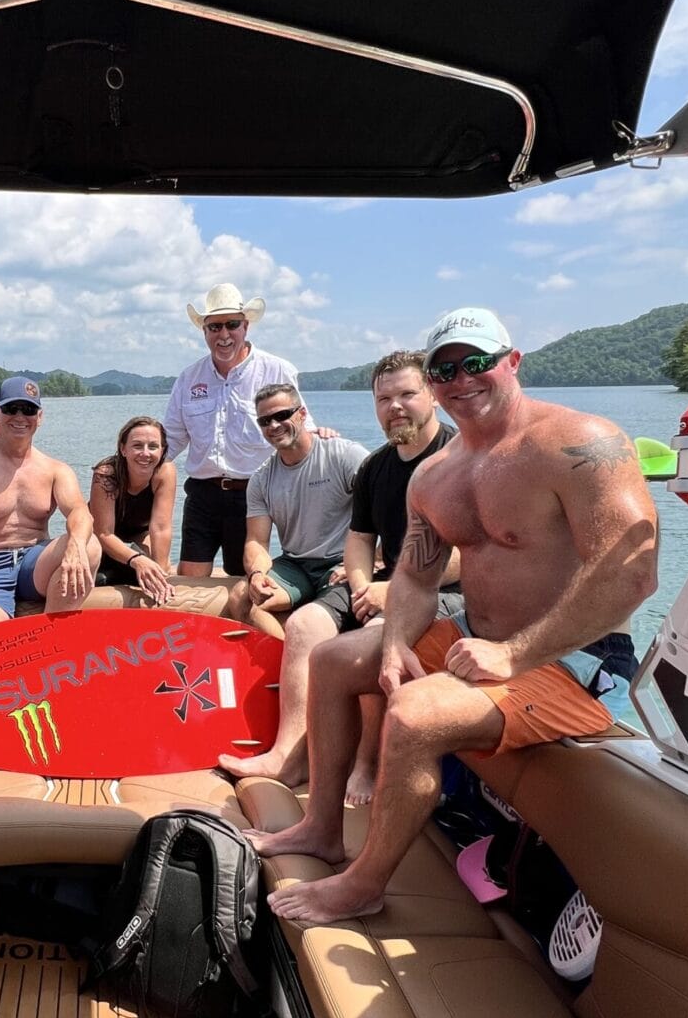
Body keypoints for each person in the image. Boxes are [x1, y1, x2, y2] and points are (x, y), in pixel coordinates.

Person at [248, 307, 658, 927]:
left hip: (573, 659)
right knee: (333, 660)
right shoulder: (436, 475)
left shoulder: (580, 443)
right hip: (477, 639)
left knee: (415, 713)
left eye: (476, 362)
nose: (461, 380)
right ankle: (321, 828)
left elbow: (632, 570)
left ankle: (363, 885)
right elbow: (415, 575)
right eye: (445, 371)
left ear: (512, 361)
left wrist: (515, 653)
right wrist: (393, 645)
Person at [216, 385, 367, 782]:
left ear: (302, 413)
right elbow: (256, 541)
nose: (274, 425)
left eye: (282, 415)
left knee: (320, 621)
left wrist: (369, 563)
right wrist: (257, 574)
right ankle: (296, 673)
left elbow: (387, 512)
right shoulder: (262, 479)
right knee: (241, 596)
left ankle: (298, 737)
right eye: (265, 420)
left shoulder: (343, 455)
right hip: (297, 563)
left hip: (343, 562)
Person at [337, 350, 463, 802]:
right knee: (305, 625)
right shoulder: (375, 467)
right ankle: (294, 751)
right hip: (385, 585)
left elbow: (472, 553)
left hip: (451, 590)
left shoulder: (459, 457)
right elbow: (359, 539)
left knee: (371, 640)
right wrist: (361, 587)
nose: (395, 407)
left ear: (433, 394)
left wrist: (392, 590)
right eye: (383, 398)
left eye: (407, 394)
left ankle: (367, 763)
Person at [163, 283, 309, 576]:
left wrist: (330, 452)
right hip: (201, 495)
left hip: (253, 495)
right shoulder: (188, 378)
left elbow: (302, 431)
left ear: (246, 326)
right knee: (190, 576)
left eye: (232, 325)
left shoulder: (276, 370)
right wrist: (123, 468)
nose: (224, 334)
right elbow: (171, 439)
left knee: (246, 576)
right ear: (204, 331)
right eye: (215, 327)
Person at [0, 376, 100, 631]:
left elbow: (79, 512)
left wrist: (75, 544)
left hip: (33, 562)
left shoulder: (55, 469)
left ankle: (51, 636)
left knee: (90, 545)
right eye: (11, 408)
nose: (20, 417)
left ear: (40, 417)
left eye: (28, 409)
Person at [89, 415, 177, 603]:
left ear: (162, 450)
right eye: (137, 446)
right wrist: (136, 559)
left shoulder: (165, 472)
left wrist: (159, 574)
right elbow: (104, 533)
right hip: (100, 540)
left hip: (138, 535)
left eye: (153, 446)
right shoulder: (106, 475)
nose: (145, 453)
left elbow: (161, 528)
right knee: (102, 577)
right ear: (123, 449)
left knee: (156, 567)